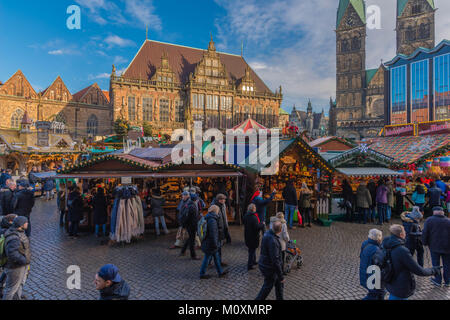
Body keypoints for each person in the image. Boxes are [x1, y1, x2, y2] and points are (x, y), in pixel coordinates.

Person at [381, 224, 439, 300]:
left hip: (390, 282)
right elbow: (419, 270)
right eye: (405, 231)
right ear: (401, 234)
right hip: (401, 286)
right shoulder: (402, 250)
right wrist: (433, 270)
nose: (406, 233)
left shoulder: (385, 245)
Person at [2, 216, 31, 300]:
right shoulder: (14, 237)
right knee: (11, 289)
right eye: (26, 222)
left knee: (18, 286)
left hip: (20, 265)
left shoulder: (19, 232)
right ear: (21, 224)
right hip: (16, 267)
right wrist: (24, 260)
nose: (27, 223)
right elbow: (12, 254)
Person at [255, 221, 284, 300]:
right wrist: (281, 276)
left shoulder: (267, 234)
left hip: (266, 264)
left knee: (279, 286)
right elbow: (275, 260)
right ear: (280, 230)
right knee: (266, 288)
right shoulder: (273, 241)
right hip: (269, 268)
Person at [422, 207, 450, 287]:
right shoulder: (448, 221)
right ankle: (447, 281)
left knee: (435, 263)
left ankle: (438, 280)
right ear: (442, 213)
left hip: (434, 246)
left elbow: (425, 233)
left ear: (434, 212)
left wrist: (424, 242)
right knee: (447, 264)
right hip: (447, 247)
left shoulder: (429, 220)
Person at [199, 205, 228, 279]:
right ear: (215, 211)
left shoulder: (208, 217)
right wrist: (215, 244)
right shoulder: (212, 220)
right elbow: (213, 233)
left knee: (216, 257)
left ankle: (220, 272)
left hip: (209, 242)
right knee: (207, 258)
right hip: (211, 243)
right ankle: (202, 273)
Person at [359, 229, 385, 300]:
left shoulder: (365, 243)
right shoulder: (377, 250)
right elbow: (381, 265)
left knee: (376, 294)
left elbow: (361, 256)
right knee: (376, 294)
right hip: (373, 278)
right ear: (379, 238)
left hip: (364, 274)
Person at [179, 191, 200, 260]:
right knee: (192, 240)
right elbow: (190, 217)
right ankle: (193, 255)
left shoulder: (190, 204)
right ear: (196, 200)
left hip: (190, 225)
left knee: (190, 238)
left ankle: (183, 251)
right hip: (191, 225)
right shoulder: (192, 206)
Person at [243, 203, 265, 271]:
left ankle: (254, 261)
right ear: (253, 209)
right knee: (252, 251)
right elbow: (256, 227)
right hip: (253, 236)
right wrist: (262, 224)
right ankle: (250, 265)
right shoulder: (253, 217)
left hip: (247, 235)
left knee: (252, 250)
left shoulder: (246, 216)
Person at [0, 214, 17, 298]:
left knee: (5, 272)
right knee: (6, 272)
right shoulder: (6, 231)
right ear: (10, 221)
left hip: (5, 256)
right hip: (5, 256)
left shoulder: (5, 228)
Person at [211, 194, 229, 266]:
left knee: (219, 247)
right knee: (216, 248)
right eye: (223, 199)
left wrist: (226, 227)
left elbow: (224, 218)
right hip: (218, 230)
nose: (224, 201)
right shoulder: (215, 207)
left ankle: (218, 261)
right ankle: (215, 262)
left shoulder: (222, 206)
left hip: (222, 229)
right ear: (219, 200)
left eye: (224, 199)